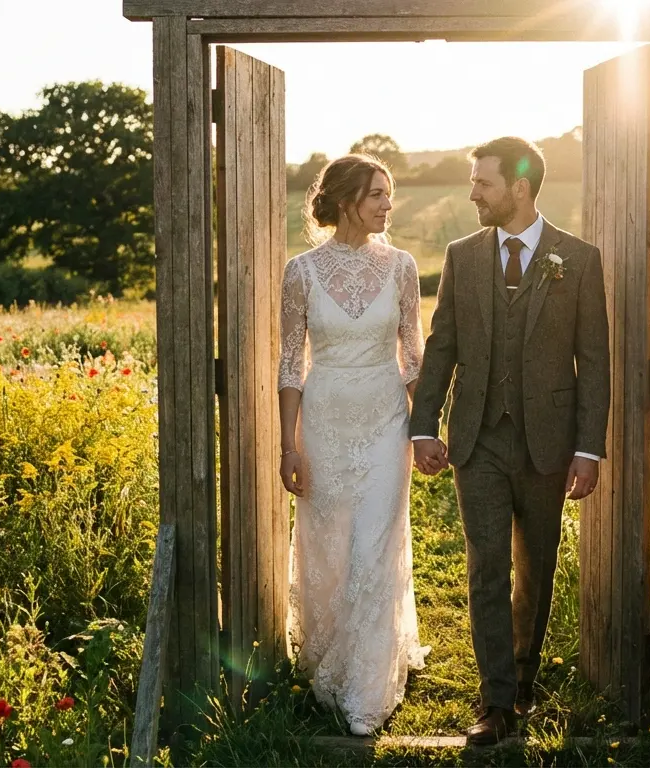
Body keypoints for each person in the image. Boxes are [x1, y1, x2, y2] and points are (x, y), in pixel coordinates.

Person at [409, 136, 611, 746]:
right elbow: (441, 344)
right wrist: (424, 426)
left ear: (519, 188)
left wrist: (588, 447)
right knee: (486, 568)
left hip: (549, 444)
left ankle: (524, 680)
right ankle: (495, 703)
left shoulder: (577, 258)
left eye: (483, 183)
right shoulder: (462, 256)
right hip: (478, 440)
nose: (472, 192)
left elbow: (594, 360)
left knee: (537, 569)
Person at [276, 153, 430, 736]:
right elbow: (292, 363)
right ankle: (327, 659)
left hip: (387, 423)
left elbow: (412, 355)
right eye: (377, 195)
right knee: (331, 550)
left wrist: (428, 427)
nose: (388, 205)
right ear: (346, 202)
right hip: (324, 424)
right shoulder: (302, 271)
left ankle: (366, 690)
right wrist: (289, 447)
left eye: (389, 194)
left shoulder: (403, 267)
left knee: (373, 548)